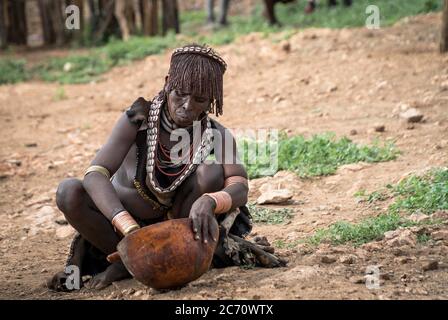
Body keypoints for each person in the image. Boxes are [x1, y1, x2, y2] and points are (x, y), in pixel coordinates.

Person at [47, 44, 285, 291]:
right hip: (119, 229)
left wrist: (211, 201)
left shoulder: (216, 135)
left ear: (211, 102)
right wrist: (130, 231)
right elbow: (96, 174)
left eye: (200, 99)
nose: (187, 106)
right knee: (69, 192)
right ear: (167, 82)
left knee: (212, 172)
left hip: (173, 233)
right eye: (179, 93)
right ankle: (125, 261)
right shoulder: (137, 119)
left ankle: (156, 258)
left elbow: (239, 185)